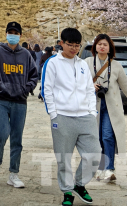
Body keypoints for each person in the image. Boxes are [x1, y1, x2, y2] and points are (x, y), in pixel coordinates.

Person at [42, 28, 101, 206]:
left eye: (77, 45)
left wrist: (92, 112)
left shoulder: (82, 64)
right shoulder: (53, 63)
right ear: (62, 43)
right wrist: (54, 114)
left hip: (85, 117)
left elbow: (90, 90)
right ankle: (67, 191)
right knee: (64, 158)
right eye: (70, 45)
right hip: (62, 116)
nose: (74, 48)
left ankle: (79, 184)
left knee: (94, 153)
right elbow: (47, 90)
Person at [0, 21, 38, 188]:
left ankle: (13, 174)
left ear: (20, 35)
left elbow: (34, 76)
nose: (13, 35)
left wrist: (26, 88)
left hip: (20, 102)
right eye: (10, 32)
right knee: (0, 134)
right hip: (1, 100)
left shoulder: (26, 55)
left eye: (16, 33)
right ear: (6, 34)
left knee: (17, 138)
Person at [87, 34, 127, 183]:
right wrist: (90, 85)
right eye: (99, 44)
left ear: (110, 48)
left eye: (105, 44)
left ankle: (109, 169)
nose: (102, 47)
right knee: (97, 138)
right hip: (92, 106)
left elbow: (126, 86)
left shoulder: (116, 66)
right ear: (95, 46)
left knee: (108, 136)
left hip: (111, 107)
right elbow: (78, 83)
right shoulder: (87, 63)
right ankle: (100, 168)